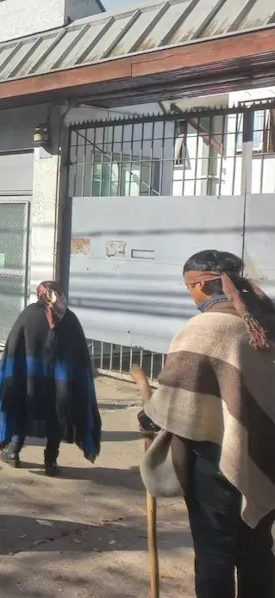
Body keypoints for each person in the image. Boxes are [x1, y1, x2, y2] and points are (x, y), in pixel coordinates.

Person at [140, 250, 275, 597]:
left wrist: (148, 415)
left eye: (189, 287)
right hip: (265, 454)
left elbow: (174, 397)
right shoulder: (268, 319)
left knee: (215, 550)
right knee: (257, 546)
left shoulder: (206, 328)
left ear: (201, 284)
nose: (190, 294)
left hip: (213, 460)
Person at [0, 281, 101, 476]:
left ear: (40, 294)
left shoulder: (29, 315)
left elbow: (13, 349)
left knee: (22, 408)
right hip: (61, 386)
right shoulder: (70, 319)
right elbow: (80, 356)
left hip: (30, 382)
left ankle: (13, 452)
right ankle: (51, 461)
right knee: (56, 416)